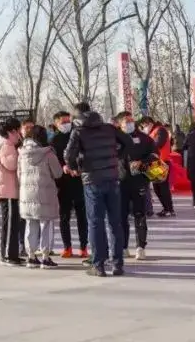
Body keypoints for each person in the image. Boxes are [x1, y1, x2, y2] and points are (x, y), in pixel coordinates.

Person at [64, 102, 127, 277]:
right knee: (115, 222)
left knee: (95, 222)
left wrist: (75, 167)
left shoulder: (78, 132)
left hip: (92, 180)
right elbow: (128, 142)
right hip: (112, 178)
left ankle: (98, 265)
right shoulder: (109, 128)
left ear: (77, 116)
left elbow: (68, 155)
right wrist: (116, 157)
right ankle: (118, 264)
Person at [19, 125, 63, 268]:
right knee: (46, 224)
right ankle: (45, 257)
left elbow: (18, 174)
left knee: (30, 224)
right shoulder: (48, 153)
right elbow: (58, 173)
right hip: (45, 193)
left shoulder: (21, 153)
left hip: (27, 194)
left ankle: (31, 256)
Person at [116, 111, 155, 261]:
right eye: (127, 121)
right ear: (120, 124)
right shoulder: (115, 139)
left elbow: (154, 155)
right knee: (121, 216)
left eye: (131, 121)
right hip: (120, 183)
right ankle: (123, 247)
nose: (130, 123)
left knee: (140, 215)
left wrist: (142, 163)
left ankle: (140, 247)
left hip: (140, 181)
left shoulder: (145, 139)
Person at [50, 110, 88, 258]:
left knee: (82, 216)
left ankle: (84, 247)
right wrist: (63, 167)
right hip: (63, 183)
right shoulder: (54, 140)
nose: (67, 124)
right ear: (56, 124)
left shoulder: (78, 135)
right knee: (64, 216)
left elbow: (84, 153)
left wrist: (79, 167)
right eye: (63, 122)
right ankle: (67, 247)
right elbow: (53, 160)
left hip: (79, 181)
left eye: (68, 121)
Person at [0, 118, 23, 266]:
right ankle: (8, 255)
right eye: (18, 130)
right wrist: (20, 153)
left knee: (12, 223)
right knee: (9, 224)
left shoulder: (3, 142)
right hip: (7, 189)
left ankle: (12, 253)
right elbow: (11, 164)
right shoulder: (6, 145)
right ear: (12, 131)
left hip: (7, 187)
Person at [140, 116, 176, 217]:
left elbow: (158, 143)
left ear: (149, 123)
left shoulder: (161, 130)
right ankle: (166, 208)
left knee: (163, 187)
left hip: (162, 162)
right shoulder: (152, 132)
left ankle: (169, 209)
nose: (144, 128)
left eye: (144, 125)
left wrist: (146, 147)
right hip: (155, 163)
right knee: (157, 188)